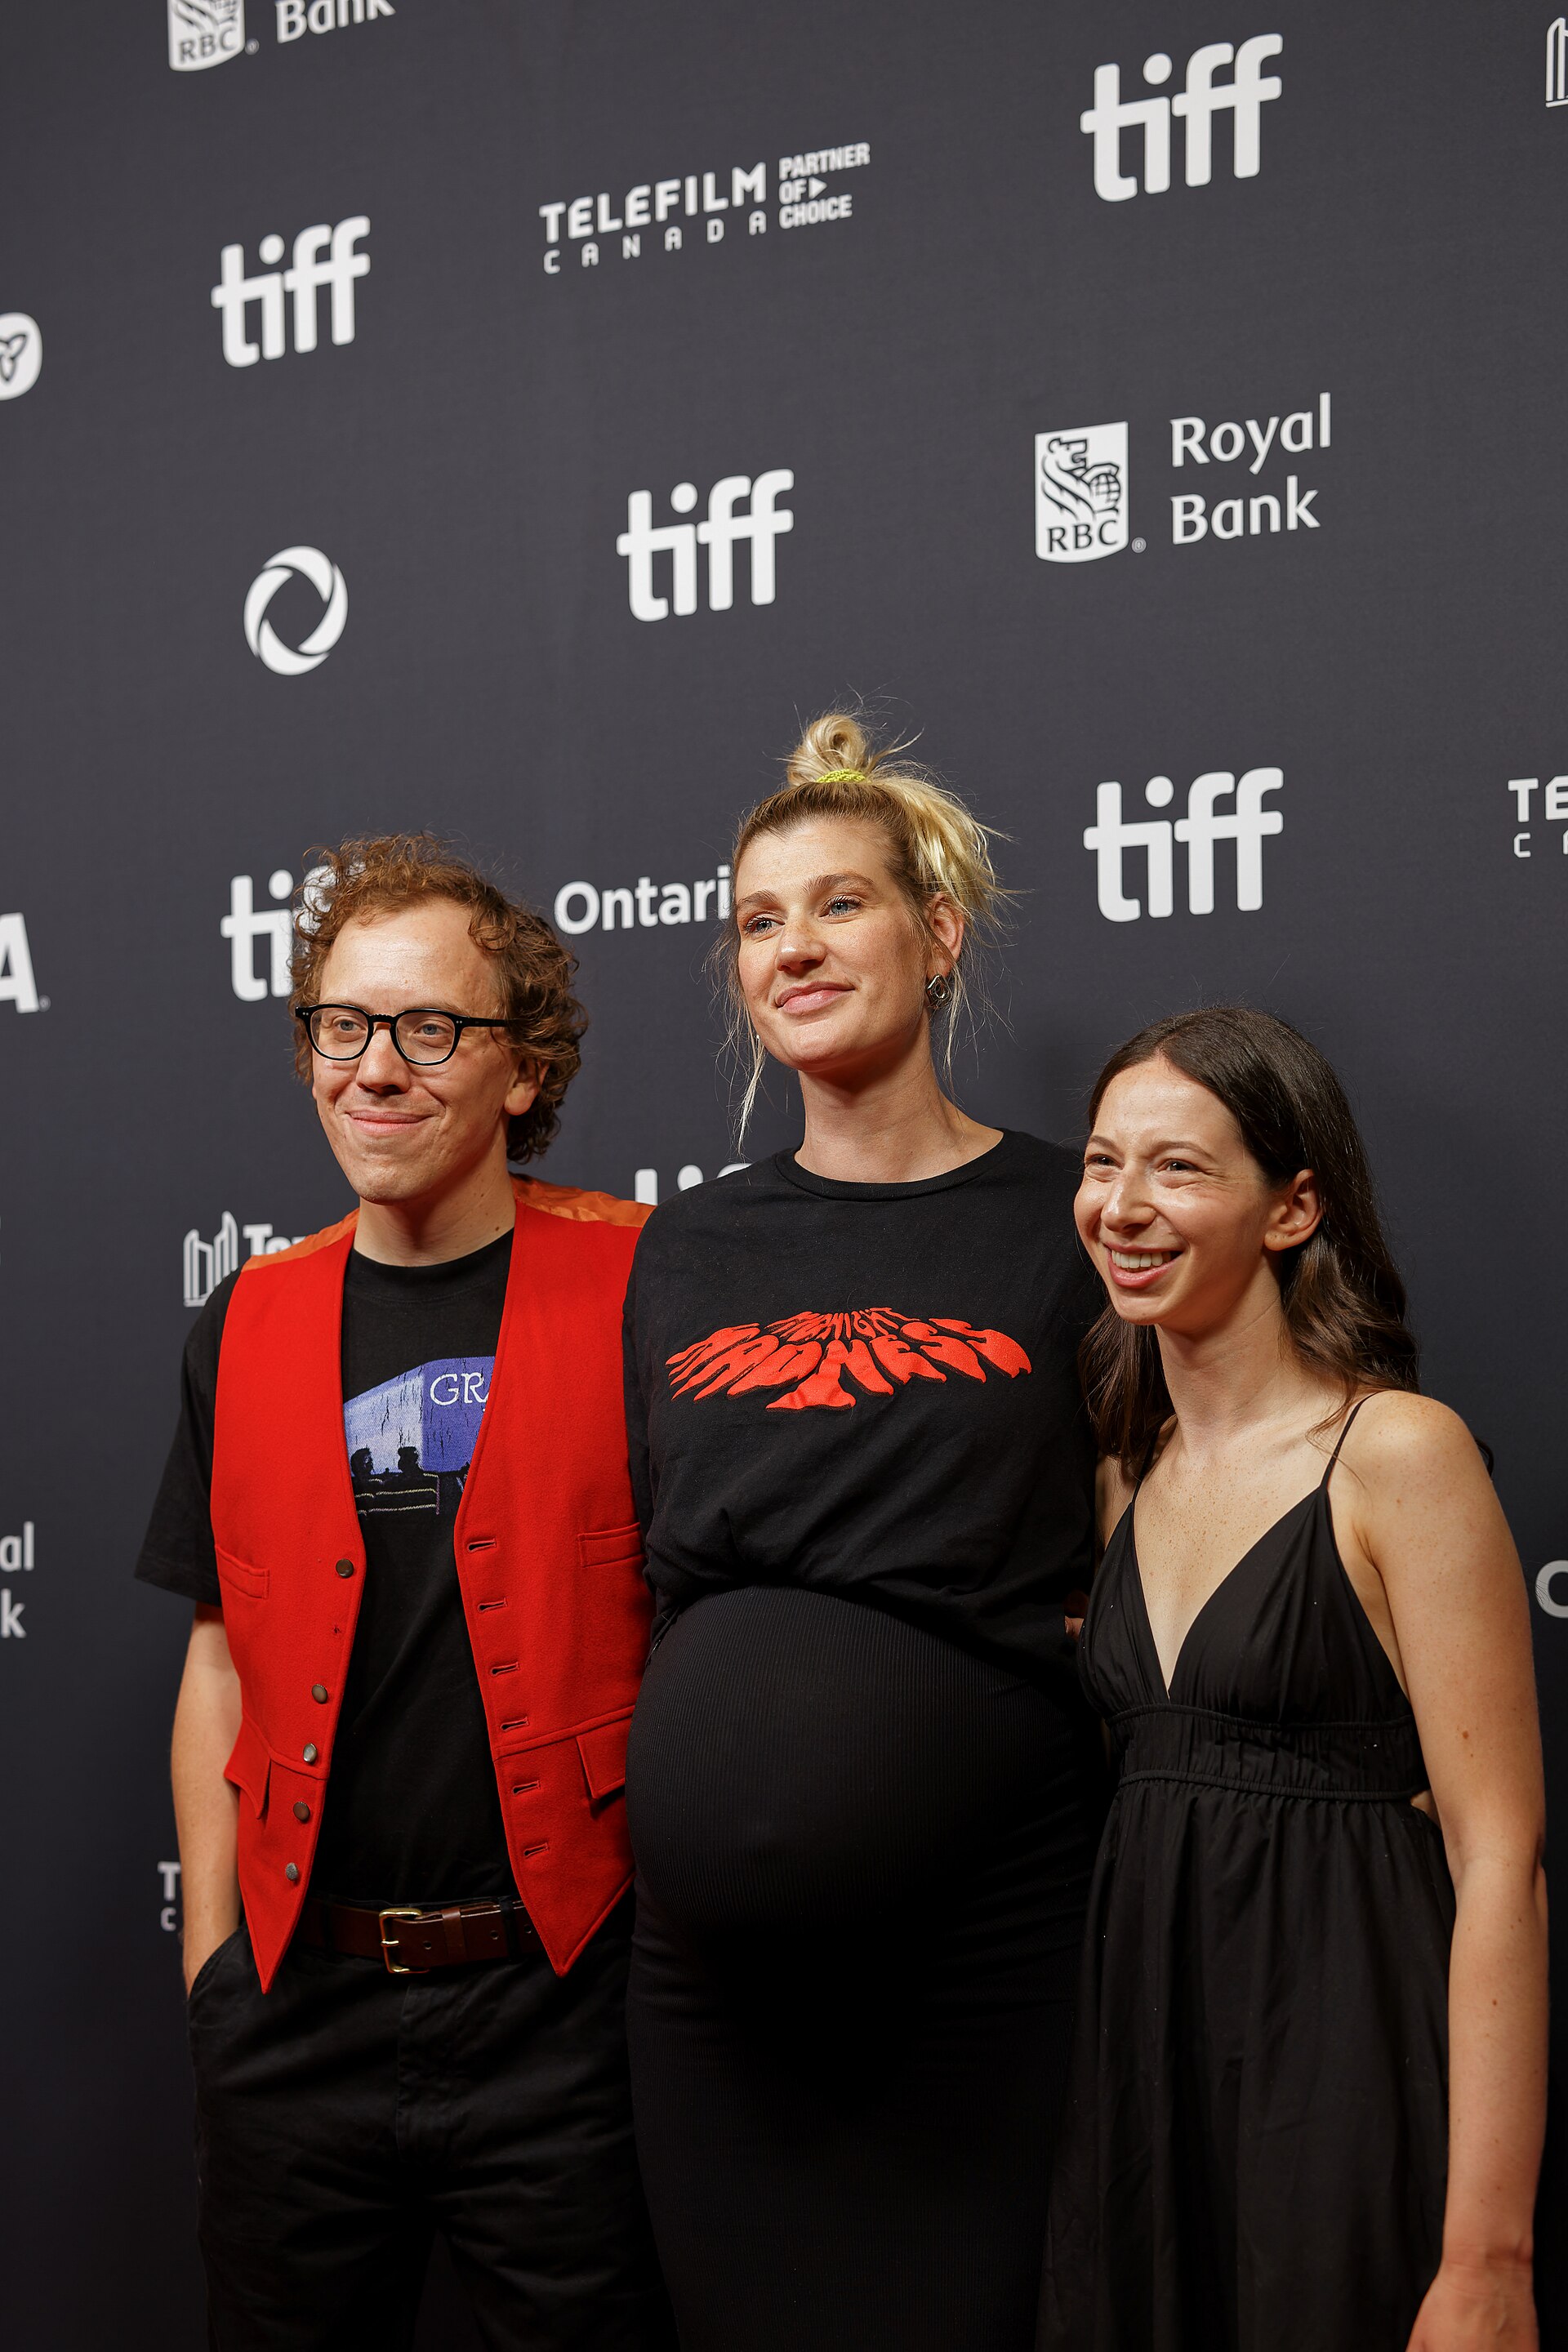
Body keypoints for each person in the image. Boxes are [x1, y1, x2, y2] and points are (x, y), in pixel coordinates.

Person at [135, 835, 675, 2352]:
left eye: (431, 1028)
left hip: (565, 2007)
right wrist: (217, 1982)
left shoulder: (650, 1280)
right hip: (294, 2011)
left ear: (524, 1067)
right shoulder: (242, 1320)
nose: (378, 1068)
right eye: (343, 1026)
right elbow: (220, 1660)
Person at [620, 713, 1107, 2352]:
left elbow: (1162, 1524)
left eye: (839, 903)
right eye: (760, 918)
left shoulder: (1072, 1218)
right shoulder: (685, 1245)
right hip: (712, 1992)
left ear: (939, 933)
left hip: (980, 1946)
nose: (794, 946)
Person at [1040, 1006, 1548, 2352]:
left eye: (1179, 1167)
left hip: (1346, 2070)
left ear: (1293, 1206)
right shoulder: (1117, 1477)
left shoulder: (1396, 1455)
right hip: (1145, 2080)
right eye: (1102, 1163)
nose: (1123, 1207)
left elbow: (1500, 1856)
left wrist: (1488, 2252)